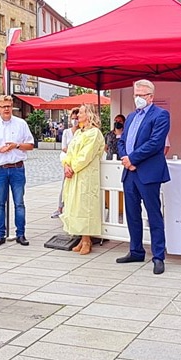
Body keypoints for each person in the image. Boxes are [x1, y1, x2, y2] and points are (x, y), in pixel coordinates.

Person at [116, 79, 170, 274]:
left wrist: (133, 159)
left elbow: (155, 143)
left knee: (153, 214)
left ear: (150, 97)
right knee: (132, 214)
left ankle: (158, 256)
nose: (137, 98)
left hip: (148, 172)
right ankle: (136, 250)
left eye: (141, 95)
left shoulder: (161, 115)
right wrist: (125, 157)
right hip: (129, 173)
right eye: (135, 94)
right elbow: (121, 140)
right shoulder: (130, 117)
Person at [0, 95, 35, 247]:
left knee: (19, 203)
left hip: (17, 167)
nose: (6, 109)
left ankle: (21, 234)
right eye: (3, 106)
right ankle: (0, 235)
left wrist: (16, 145)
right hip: (0, 169)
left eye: (9, 106)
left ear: (12, 107)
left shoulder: (21, 124)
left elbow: (30, 145)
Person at [60, 104, 105, 254]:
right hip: (74, 174)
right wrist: (66, 164)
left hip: (86, 175)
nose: (77, 115)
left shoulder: (95, 133)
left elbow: (86, 154)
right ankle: (81, 238)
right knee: (75, 205)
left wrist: (72, 166)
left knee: (86, 206)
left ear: (89, 114)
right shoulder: (79, 133)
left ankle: (87, 239)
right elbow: (70, 150)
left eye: (80, 112)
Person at [51, 108, 79, 218]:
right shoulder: (67, 132)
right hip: (68, 161)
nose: (75, 121)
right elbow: (64, 148)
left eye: (76, 118)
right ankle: (60, 207)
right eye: (73, 119)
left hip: (78, 161)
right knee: (64, 184)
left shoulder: (82, 132)